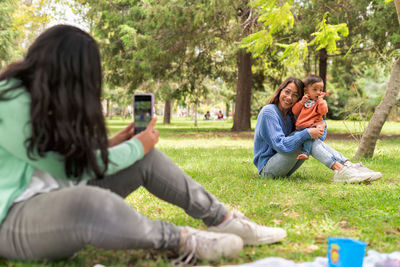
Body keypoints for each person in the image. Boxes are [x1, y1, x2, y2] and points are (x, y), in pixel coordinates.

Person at [0, 25, 287, 263]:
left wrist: (115, 144)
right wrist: (137, 145)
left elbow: (63, 157)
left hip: (62, 200)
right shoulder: (9, 99)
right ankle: (184, 241)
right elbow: (68, 168)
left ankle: (223, 219)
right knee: (93, 200)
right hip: (14, 222)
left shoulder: (43, 96)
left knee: (144, 158)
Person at [253, 77, 382, 183]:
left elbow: (318, 139)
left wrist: (320, 125)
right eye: (287, 92)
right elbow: (281, 146)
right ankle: (341, 169)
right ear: (280, 90)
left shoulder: (292, 115)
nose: (289, 97)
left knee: (306, 136)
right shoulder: (269, 112)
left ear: (299, 99)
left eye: (295, 95)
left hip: (286, 166)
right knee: (304, 137)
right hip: (268, 169)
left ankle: (348, 166)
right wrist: (307, 132)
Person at [291, 75, 327, 160]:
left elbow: (323, 111)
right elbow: (294, 111)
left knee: (308, 139)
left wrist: (321, 101)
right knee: (294, 137)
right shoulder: (304, 101)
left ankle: (305, 152)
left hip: (313, 127)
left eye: (321, 90)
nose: (318, 92)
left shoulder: (319, 102)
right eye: (315, 89)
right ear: (306, 90)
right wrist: (302, 102)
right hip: (301, 126)